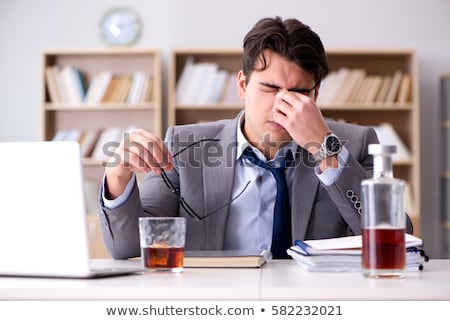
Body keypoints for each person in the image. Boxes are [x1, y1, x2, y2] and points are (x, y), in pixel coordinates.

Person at [99, 16, 413, 260]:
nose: (282, 104)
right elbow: (127, 248)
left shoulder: (355, 144)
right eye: (269, 88)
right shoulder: (184, 145)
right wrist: (117, 176)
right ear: (242, 85)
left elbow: (396, 240)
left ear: (316, 94)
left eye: (300, 92)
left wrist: (326, 149)